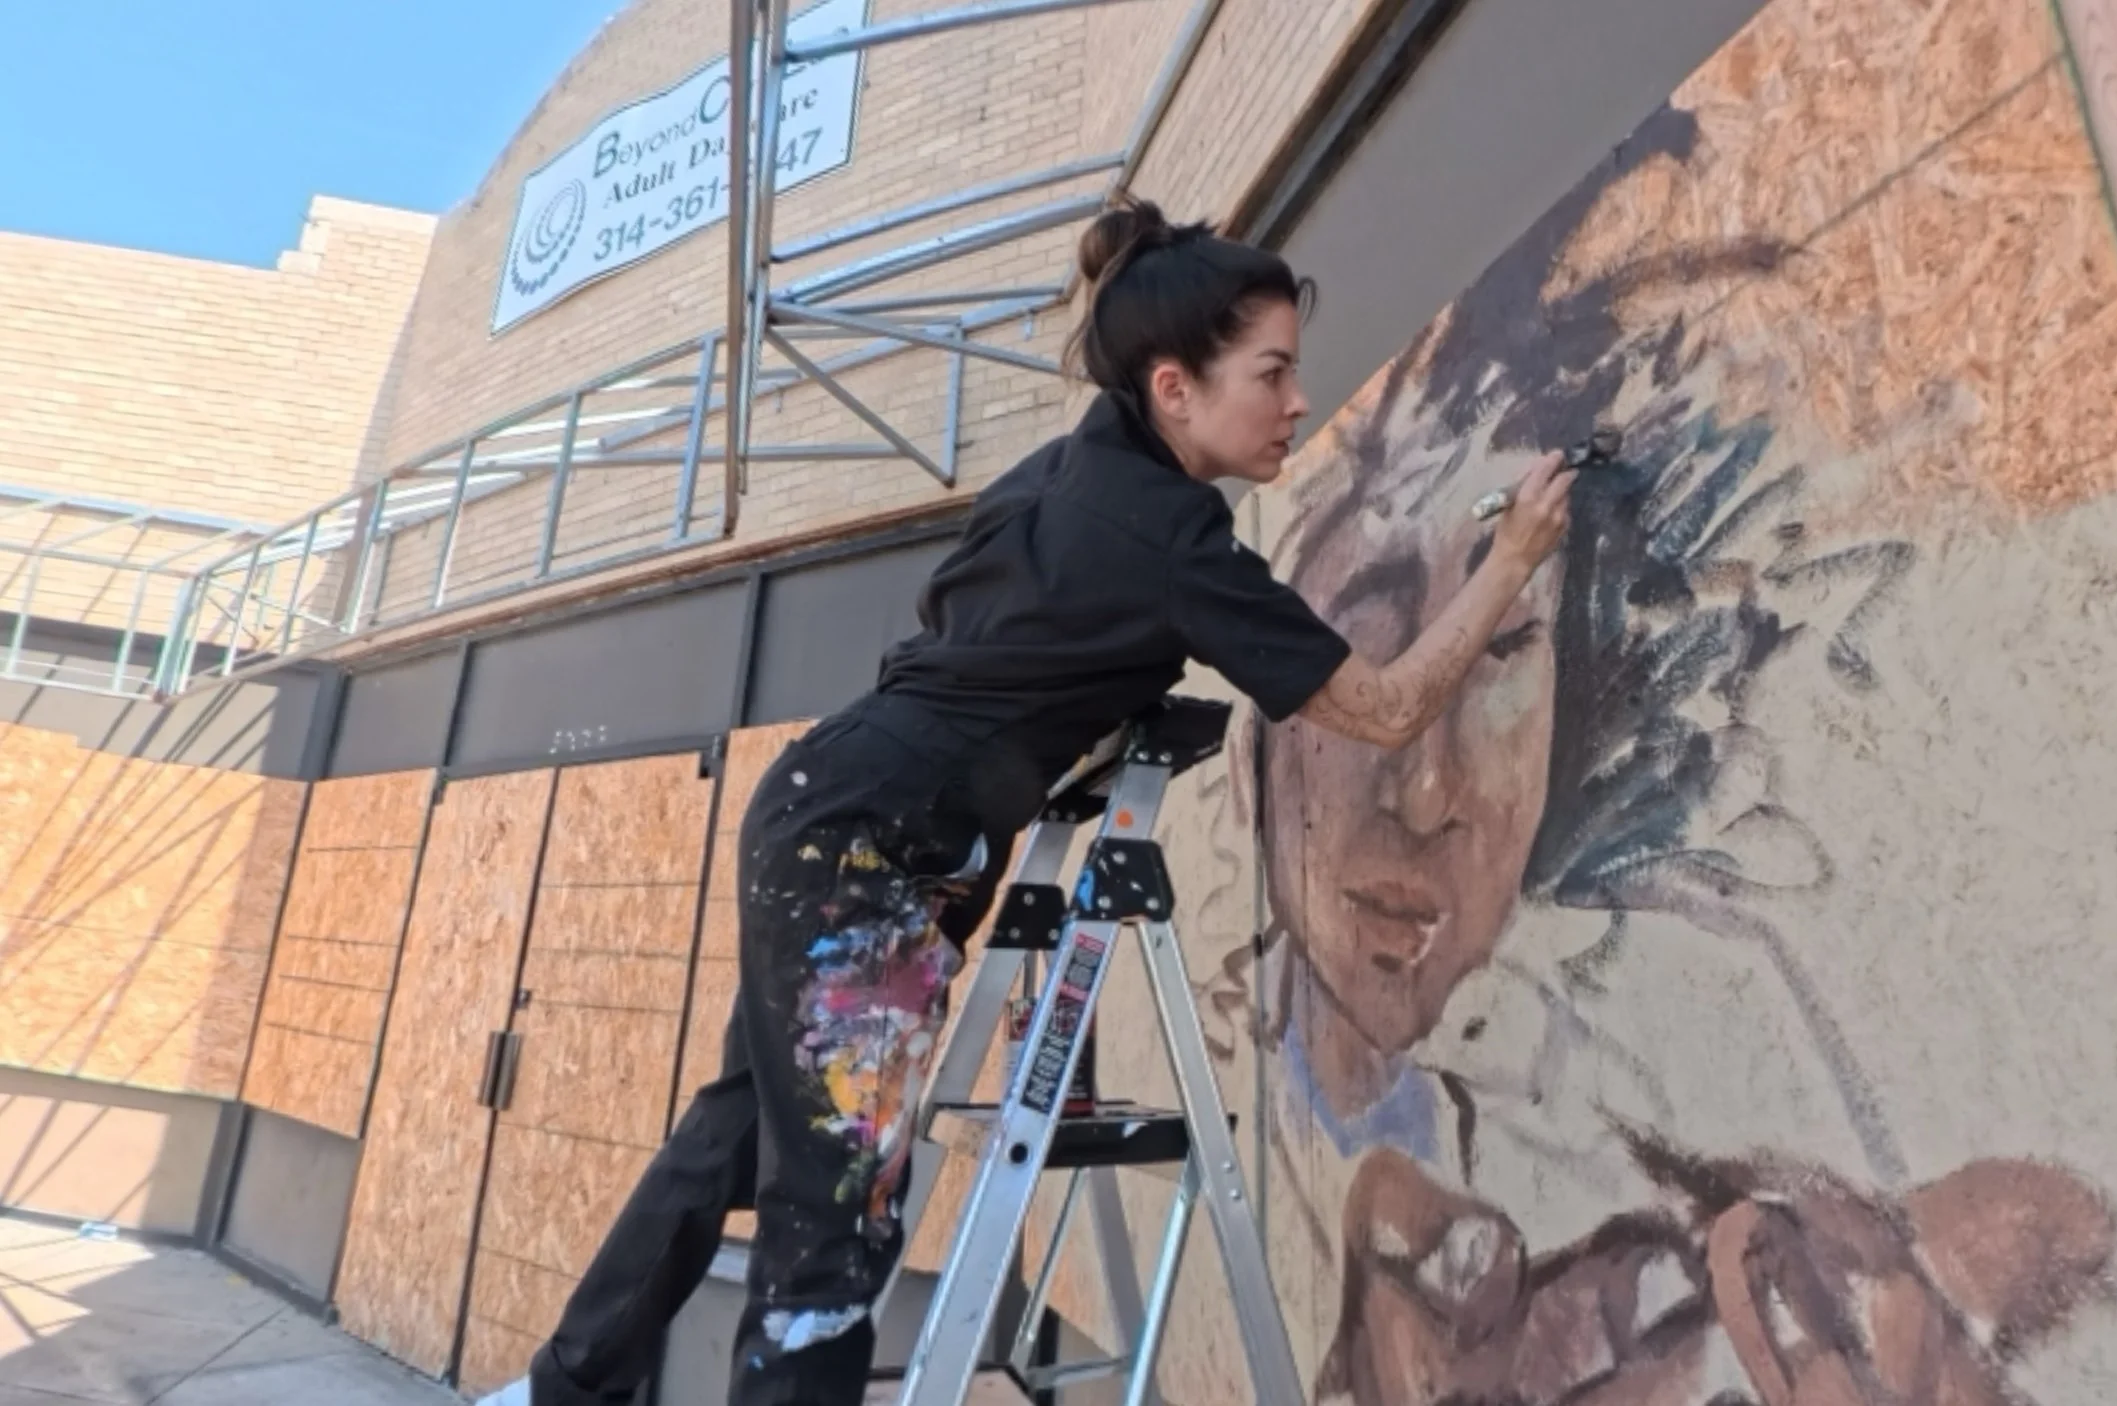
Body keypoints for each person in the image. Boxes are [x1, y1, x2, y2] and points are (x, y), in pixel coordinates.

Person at [477, 197, 1579, 1406]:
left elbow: (998, 663)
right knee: (834, 1223)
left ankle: (564, 1390)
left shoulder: (1050, 481)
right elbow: (1379, 705)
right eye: (1271, 374)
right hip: (873, 854)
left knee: (733, 1132)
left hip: (827, 804)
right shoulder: (1173, 537)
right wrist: (1511, 562)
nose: (1295, 403)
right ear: (1175, 385)